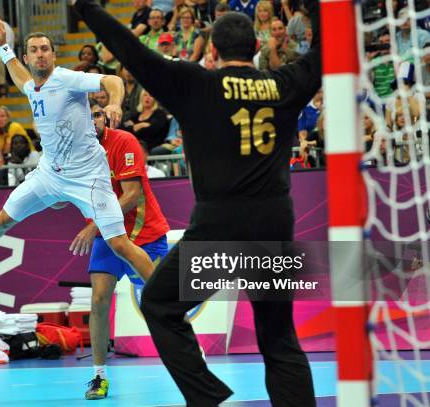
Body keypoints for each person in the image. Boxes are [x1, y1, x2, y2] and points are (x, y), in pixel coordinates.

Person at [74, 0, 321, 405]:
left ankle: (207, 398)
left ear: (213, 51)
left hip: (218, 230)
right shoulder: (284, 83)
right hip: (274, 223)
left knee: (159, 305)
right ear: (255, 44)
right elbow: (322, 55)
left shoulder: (196, 84)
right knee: (279, 338)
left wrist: (85, 7)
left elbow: (130, 50)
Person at [0, 23, 156, 300]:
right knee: (1, 221)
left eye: (45, 49)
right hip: (49, 175)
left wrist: (115, 102)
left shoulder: (68, 79)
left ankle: (163, 295)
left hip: (88, 176)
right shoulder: (32, 86)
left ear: (53, 55)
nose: (40, 54)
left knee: (119, 244)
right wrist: (2, 45)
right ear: (27, 58)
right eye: (34, 50)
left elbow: (112, 81)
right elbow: (19, 78)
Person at [76, 102, 170, 399]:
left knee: (157, 304)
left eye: (96, 115)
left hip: (144, 233)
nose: (92, 121)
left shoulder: (124, 141)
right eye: (85, 116)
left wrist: (93, 226)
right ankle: (99, 376)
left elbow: (132, 196)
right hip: (108, 234)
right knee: (99, 300)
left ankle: (190, 357)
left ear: (105, 118)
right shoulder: (76, 151)